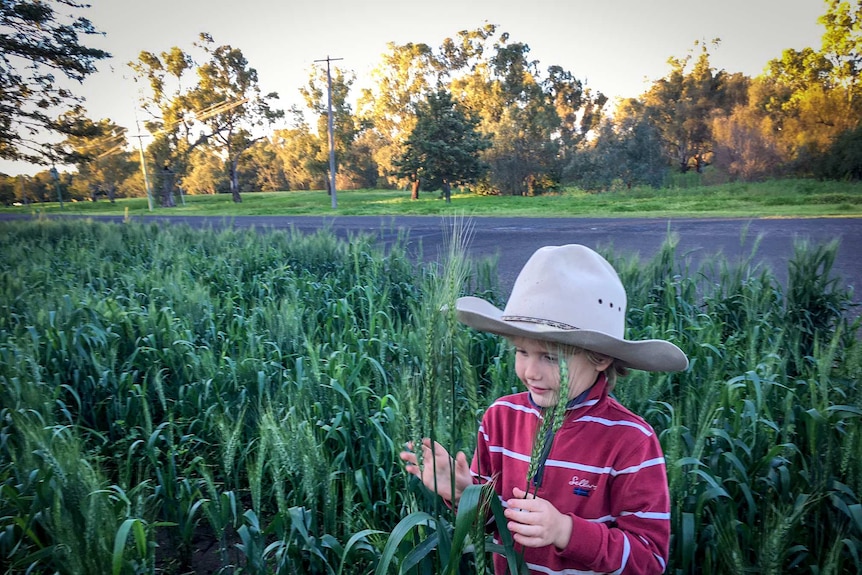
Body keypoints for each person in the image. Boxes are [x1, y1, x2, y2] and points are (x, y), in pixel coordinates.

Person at [400, 244, 688, 575]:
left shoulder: (632, 441)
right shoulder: (501, 418)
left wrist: (565, 531)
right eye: (522, 352)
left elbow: (649, 560)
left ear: (601, 358)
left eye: (550, 357)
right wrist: (467, 493)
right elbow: (496, 525)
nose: (530, 372)